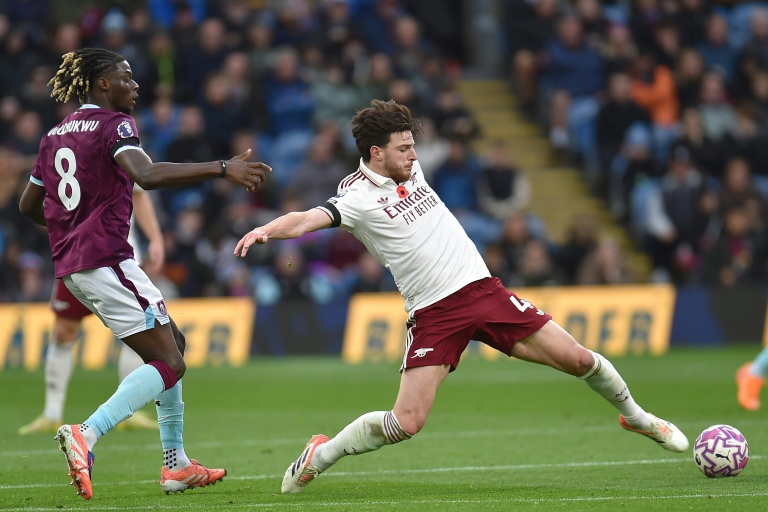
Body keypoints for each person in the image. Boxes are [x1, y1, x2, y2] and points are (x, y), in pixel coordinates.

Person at [234, 99, 689, 495]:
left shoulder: (413, 169)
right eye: (404, 148)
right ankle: (320, 454)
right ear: (376, 153)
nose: (414, 155)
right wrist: (265, 230)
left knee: (579, 359)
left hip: (483, 289)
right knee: (406, 423)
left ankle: (638, 417)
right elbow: (306, 219)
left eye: (413, 145)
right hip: (434, 313)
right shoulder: (353, 198)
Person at [18, 48, 270, 500]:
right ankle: (86, 434)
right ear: (102, 85)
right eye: (126, 78)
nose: (135, 86)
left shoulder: (54, 134)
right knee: (171, 362)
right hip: (108, 259)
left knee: (173, 345)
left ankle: (176, 465)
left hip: (75, 266)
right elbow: (147, 175)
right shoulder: (116, 125)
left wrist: (72, 226)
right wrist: (220, 167)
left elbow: (28, 206)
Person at [18, 185, 165, 435]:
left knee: (140, 330)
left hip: (119, 257)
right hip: (77, 254)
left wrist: (155, 238)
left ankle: (130, 410)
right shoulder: (60, 148)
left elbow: (139, 191)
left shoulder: (120, 147)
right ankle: (51, 413)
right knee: (64, 331)